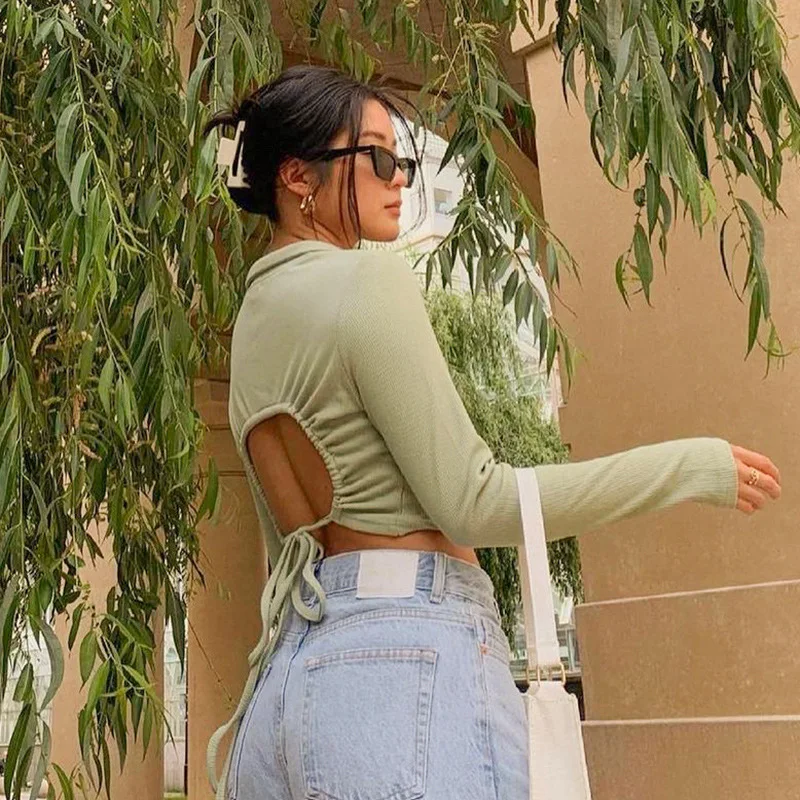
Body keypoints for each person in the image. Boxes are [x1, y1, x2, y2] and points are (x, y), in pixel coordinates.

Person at [202, 65, 781, 800]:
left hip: (287, 682)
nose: (399, 178)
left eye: (403, 160)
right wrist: (685, 466)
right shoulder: (367, 283)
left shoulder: (254, 318)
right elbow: (474, 502)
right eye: (376, 156)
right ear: (297, 176)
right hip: (400, 663)